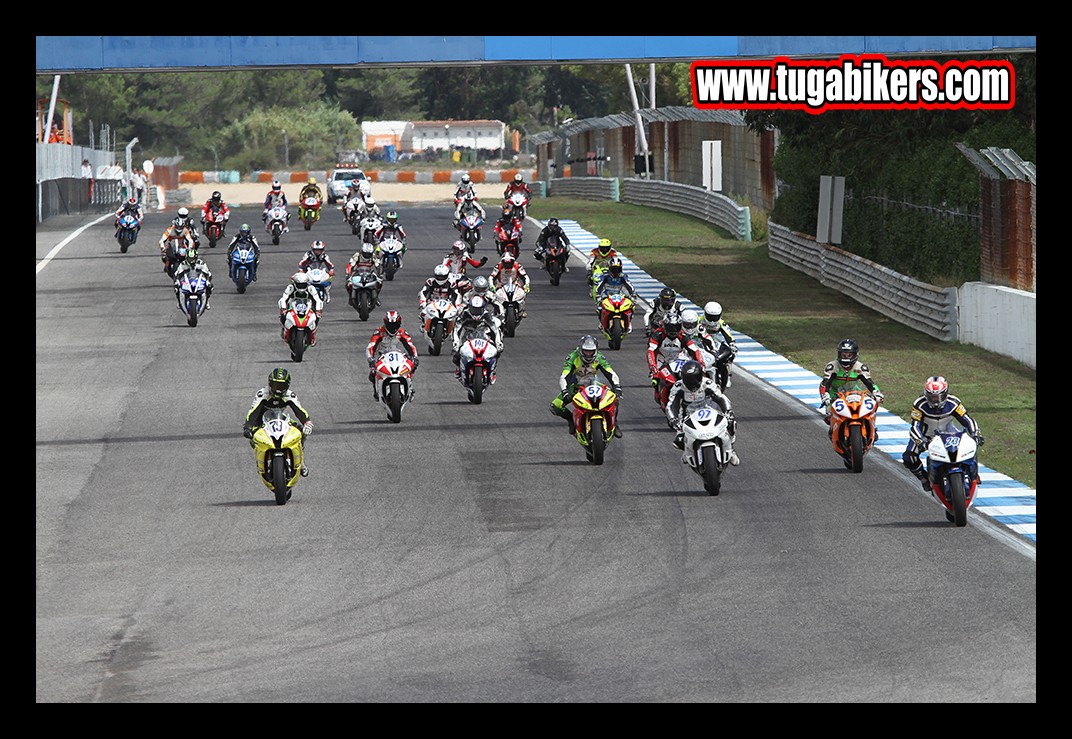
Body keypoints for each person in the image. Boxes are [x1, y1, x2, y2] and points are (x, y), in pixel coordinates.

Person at [902, 376, 984, 492]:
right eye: (932, 397)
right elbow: (915, 426)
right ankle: (924, 479)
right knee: (909, 457)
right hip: (926, 436)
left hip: (949, 433)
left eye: (939, 397)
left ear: (946, 394)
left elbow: (967, 419)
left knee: (971, 446)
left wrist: (976, 433)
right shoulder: (919, 404)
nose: (936, 401)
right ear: (926, 395)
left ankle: (973, 474)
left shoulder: (954, 402)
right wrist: (920, 441)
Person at [666, 360, 739, 465]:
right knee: (678, 441)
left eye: (694, 380)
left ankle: (731, 448)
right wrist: (672, 419)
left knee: (731, 423)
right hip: (687, 417)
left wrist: (728, 411)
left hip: (710, 412)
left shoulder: (707, 383)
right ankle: (688, 451)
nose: (692, 385)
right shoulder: (678, 387)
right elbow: (671, 404)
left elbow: (721, 398)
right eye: (688, 381)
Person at [243, 368, 312, 477]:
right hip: (261, 419)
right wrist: (247, 427)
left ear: (287, 386)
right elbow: (253, 411)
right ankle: (260, 462)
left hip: (280, 417)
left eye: (281, 386)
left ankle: (302, 463)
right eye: (275, 386)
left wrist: (307, 422)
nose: (278, 390)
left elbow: (299, 411)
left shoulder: (290, 395)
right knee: (253, 437)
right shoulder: (263, 394)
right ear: (269, 383)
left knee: (300, 431)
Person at [549, 335, 623, 437]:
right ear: (580, 350)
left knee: (614, 398)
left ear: (595, 350)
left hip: (593, 382)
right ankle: (571, 421)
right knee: (555, 406)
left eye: (591, 351)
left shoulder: (599, 358)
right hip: (575, 385)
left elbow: (610, 373)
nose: (588, 354)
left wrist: (617, 386)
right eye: (586, 351)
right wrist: (565, 391)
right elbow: (564, 376)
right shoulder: (572, 357)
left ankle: (615, 424)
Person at [818, 338, 884, 430]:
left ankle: (871, 427)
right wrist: (825, 396)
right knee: (829, 414)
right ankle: (834, 429)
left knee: (871, 406)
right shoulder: (832, 366)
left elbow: (869, 383)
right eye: (843, 355)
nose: (846, 358)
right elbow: (825, 384)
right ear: (839, 354)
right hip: (835, 394)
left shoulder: (861, 367)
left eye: (849, 355)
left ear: (855, 355)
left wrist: (876, 392)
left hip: (855, 392)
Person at [365, 311, 420, 401]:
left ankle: (410, 388)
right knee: (372, 373)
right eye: (390, 325)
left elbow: (410, 346)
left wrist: (415, 357)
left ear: (399, 324)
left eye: (395, 325)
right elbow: (371, 346)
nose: (392, 327)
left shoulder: (402, 332)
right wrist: (370, 359)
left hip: (399, 355)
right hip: (382, 356)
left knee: (412, 366)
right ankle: (375, 390)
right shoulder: (379, 332)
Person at [451, 295, 504, 376]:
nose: (476, 312)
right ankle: (460, 369)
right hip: (467, 335)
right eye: (474, 309)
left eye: (478, 309)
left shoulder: (486, 315)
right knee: (456, 355)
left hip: (483, 335)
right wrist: (456, 342)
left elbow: (494, 330)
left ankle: (493, 368)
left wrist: (498, 342)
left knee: (497, 351)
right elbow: (456, 329)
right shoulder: (464, 314)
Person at [696, 301, 739, 388]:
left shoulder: (721, 323)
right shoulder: (698, 320)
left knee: (730, 353)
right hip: (699, 342)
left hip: (714, 342)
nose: (712, 319)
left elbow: (728, 335)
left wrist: (732, 344)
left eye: (714, 317)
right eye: (710, 316)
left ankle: (727, 374)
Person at [278, 272, 324, 346]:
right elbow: (283, 299)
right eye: (299, 285)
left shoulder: (311, 288)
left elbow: (318, 300)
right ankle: (284, 328)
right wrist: (283, 308)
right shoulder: (290, 287)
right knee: (283, 315)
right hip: (293, 304)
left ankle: (313, 335)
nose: (301, 287)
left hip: (308, 305)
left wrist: (318, 311)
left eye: (303, 285)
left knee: (317, 317)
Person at [345, 242, 383, 307]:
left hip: (370, 272)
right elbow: (350, 265)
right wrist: (348, 274)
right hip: (357, 272)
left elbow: (378, 265)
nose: (367, 256)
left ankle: (376, 297)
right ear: (362, 251)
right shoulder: (357, 255)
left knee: (379, 282)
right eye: (366, 253)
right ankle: (351, 297)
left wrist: (380, 274)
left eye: (369, 254)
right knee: (348, 284)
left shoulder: (373, 256)